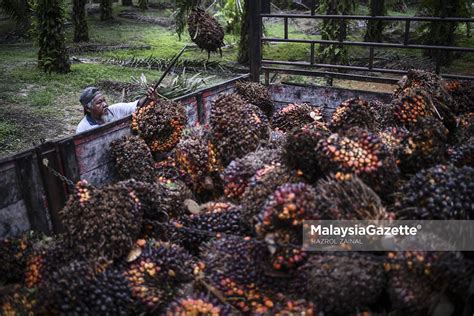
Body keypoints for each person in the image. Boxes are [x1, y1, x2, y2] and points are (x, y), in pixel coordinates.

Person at [76, 86, 156, 134]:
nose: (105, 104)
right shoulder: (83, 128)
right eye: (99, 102)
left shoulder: (116, 109)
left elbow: (138, 105)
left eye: (104, 100)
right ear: (88, 108)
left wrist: (148, 98)